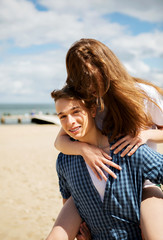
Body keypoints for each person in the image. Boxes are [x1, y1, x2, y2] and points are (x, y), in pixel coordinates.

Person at [51, 39, 163, 239]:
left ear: (106, 68)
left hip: (142, 178)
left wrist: (145, 134)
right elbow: (60, 142)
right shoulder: (91, 103)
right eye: (81, 80)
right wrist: (84, 150)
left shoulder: (142, 94)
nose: (89, 86)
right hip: (104, 176)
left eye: (92, 77)